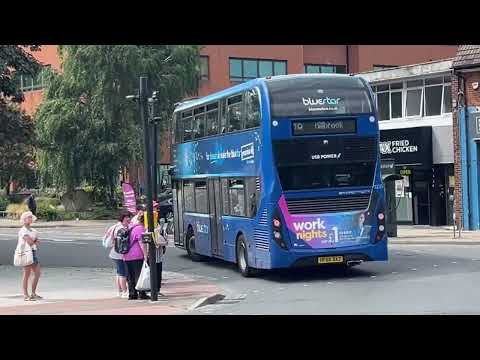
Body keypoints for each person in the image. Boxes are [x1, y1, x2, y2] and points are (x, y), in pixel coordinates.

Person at [125, 214, 150, 300]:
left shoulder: (131, 227)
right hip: (137, 255)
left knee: (130, 276)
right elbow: (142, 243)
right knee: (139, 275)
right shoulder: (140, 228)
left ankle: (132, 294)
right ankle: (141, 293)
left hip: (127, 255)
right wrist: (146, 255)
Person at [18, 211, 42, 301]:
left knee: (37, 273)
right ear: (24, 219)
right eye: (28, 217)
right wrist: (34, 241)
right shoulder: (23, 230)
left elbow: (36, 241)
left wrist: (34, 241)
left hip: (33, 252)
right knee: (26, 274)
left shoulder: (34, 230)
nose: (30, 218)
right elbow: (30, 242)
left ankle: (33, 293)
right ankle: (25, 294)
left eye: (31, 217)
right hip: (26, 252)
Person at [108, 211, 131, 298]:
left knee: (119, 272)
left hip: (114, 252)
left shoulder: (115, 226)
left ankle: (119, 291)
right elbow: (121, 242)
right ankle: (125, 292)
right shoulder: (120, 228)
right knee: (123, 273)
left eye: (129, 217)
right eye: (126, 217)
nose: (128, 219)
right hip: (119, 253)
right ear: (122, 218)